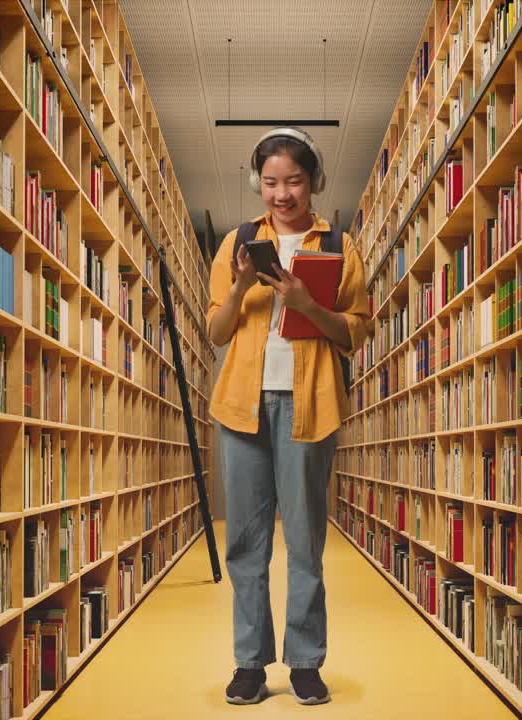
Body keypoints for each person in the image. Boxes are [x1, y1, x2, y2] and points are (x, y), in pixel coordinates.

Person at [206, 127, 370, 706]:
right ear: (259, 183)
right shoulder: (238, 243)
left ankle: (305, 662)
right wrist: (240, 287)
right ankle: (249, 663)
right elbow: (217, 331)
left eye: (294, 181)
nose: (282, 194)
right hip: (241, 406)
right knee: (245, 545)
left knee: (305, 543)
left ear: (313, 182)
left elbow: (355, 332)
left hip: (310, 404)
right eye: (271, 182)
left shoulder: (339, 246)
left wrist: (306, 304)